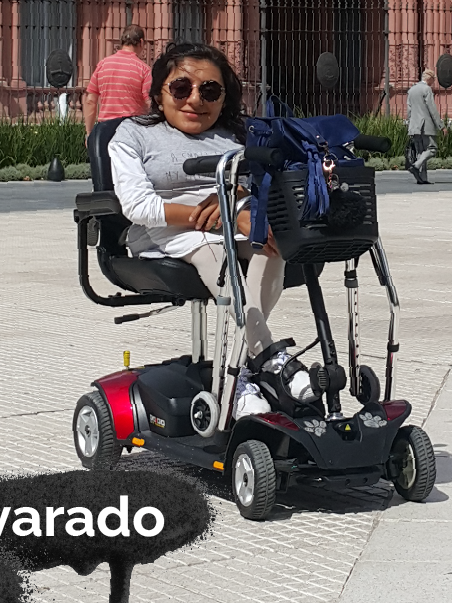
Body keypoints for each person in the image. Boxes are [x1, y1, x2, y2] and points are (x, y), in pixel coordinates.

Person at [108, 42, 307, 421]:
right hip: (170, 229)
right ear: (158, 92)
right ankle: (268, 357)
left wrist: (243, 201)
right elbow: (138, 206)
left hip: (235, 219)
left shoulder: (235, 136)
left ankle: (241, 371)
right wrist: (223, 217)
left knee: (271, 243)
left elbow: (257, 183)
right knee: (217, 257)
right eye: (181, 88)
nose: (195, 100)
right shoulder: (133, 134)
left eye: (210, 91)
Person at [84, 25, 152, 138]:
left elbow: (90, 101)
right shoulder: (144, 69)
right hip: (132, 131)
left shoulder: (103, 65)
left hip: (105, 131)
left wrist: (89, 133)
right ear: (141, 42)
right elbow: (149, 102)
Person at [406, 69, 443, 185]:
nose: (433, 82)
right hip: (426, 125)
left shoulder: (411, 90)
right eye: (433, 79)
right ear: (429, 78)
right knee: (432, 149)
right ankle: (416, 166)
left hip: (414, 125)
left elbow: (409, 110)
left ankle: (421, 178)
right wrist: (441, 126)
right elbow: (432, 109)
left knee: (420, 152)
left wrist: (410, 124)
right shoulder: (426, 89)